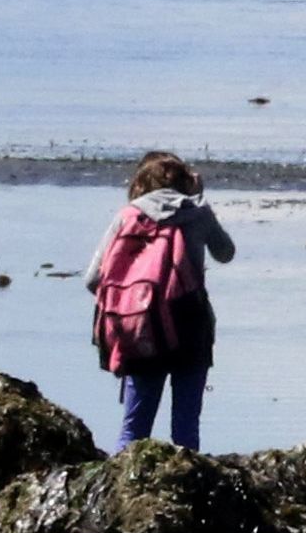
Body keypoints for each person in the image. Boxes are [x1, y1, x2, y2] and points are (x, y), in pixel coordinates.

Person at [85, 151, 229, 452]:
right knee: (186, 428)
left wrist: (132, 299)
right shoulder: (197, 212)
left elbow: (93, 279)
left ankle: (122, 492)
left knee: (133, 429)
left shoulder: (127, 216)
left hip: (140, 329)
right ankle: (189, 491)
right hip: (191, 325)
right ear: (186, 182)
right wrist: (200, 200)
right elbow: (225, 252)